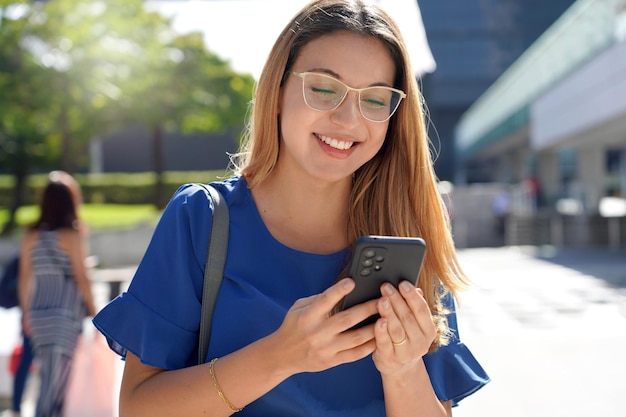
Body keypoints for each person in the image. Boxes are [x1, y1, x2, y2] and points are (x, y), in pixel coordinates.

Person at [94, 1, 489, 416]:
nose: (347, 119)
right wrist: (279, 356)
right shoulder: (203, 219)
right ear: (278, 91)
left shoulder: (407, 237)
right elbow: (138, 408)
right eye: (323, 88)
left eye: (375, 100)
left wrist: (403, 370)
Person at [18, 170, 96, 417]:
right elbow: (83, 278)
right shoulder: (72, 236)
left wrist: (25, 315)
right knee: (57, 389)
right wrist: (95, 312)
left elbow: (24, 279)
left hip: (39, 316)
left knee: (49, 379)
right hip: (65, 316)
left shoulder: (31, 237)